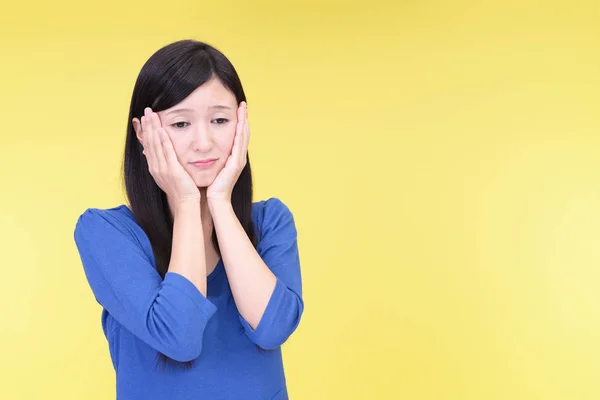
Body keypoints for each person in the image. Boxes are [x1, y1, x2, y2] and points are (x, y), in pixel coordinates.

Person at [73, 39, 304, 400]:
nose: (204, 142)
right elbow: (178, 337)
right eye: (181, 123)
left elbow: (272, 328)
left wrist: (219, 202)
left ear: (242, 124)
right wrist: (184, 202)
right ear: (141, 133)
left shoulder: (270, 222)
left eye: (220, 120)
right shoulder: (107, 233)